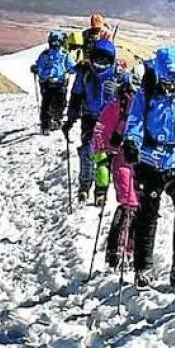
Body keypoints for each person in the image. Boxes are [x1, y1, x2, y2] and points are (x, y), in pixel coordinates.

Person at [122, 47, 175, 288]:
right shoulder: (146, 95)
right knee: (147, 215)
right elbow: (134, 121)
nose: (172, 84)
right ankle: (143, 267)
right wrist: (131, 142)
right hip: (150, 162)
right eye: (167, 78)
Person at [93, 69, 139, 277]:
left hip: (143, 161)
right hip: (121, 159)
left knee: (140, 205)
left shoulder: (146, 105)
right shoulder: (116, 106)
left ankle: (131, 249)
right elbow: (100, 133)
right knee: (129, 202)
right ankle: (118, 251)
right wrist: (106, 151)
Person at [64, 39, 118, 205]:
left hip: (109, 122)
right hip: (89, 117)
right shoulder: (85, 73)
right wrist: (70, 119)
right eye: (97, 60)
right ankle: (85, 186)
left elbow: (129, 102)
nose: (100, 65)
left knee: (104, 156)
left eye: (104, 61)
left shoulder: (118, 77)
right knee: (87, 151)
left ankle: (101, 190)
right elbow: (76, 97)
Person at [31, 30, 75, 134]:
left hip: (55, 82)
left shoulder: (63, 55)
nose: (55, 44)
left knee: (59, 103)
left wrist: (76, 68)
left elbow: (71, 67)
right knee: (48, 103)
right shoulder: (56, 54)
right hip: (50, 82)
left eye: (56, 42)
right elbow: (40, 66)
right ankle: (47, 124)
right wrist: (36, 69)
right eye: (53, 42)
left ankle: (55, 120)